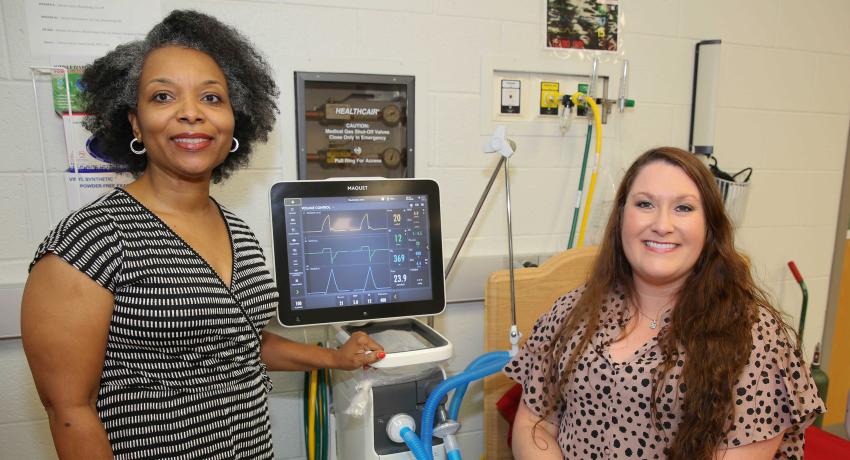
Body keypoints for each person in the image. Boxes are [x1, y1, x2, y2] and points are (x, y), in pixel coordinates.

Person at [21, 10, 384, 460]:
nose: (191, 113)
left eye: (211, 98)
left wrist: (334, 358)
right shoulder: (91, 241)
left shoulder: (239, 232)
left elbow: (240, 345)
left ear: (234, 120)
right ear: (135, 123)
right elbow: (70, 411)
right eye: (163, 96)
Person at [506, 147, 824, 459]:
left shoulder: (753, 337)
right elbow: (533, 425)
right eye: (645, 204)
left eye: (683, 208)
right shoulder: (572, 311)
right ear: (621, 218)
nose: (662, 224)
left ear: (709, 227)